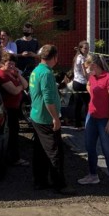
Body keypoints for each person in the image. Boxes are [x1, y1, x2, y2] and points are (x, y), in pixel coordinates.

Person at [77, 54, 109, 193]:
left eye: (87, 67)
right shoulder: (92, 77)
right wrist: (92, 94)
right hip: (91, 116)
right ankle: (93, 175)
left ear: (94, 65)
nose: (86, 70)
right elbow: (89, 85)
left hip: (104, 119)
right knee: (89, 146)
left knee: (107, 149)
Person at [29, 44, 74, 195]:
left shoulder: (36, 70)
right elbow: (48, 98)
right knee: (55, 152)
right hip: (46, 118)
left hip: (36, 115)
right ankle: (59, 184)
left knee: (40, 151)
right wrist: (56, 118)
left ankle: (39, 181)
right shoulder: (47, 73)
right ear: (54, 57)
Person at [0, 52, 29, 166]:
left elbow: (26, 84)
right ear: (3, 63)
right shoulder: (2, 75)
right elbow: (14, 90)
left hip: (14, 108)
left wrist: (18, 75)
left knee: (14, 132)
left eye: (13, 64)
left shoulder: (11, 73)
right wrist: (19, 87)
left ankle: (12, 157)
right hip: (8, 109)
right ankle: (13, 158)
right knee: (12, 134)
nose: (11, 66)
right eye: (9, 64)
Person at [72, 40, 90, 129]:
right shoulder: (82, 58)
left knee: (78, 104)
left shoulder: (77, 57)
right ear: (81, 48)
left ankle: (77, 124)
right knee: (87, 103)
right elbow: (84, 72)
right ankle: (88, 123)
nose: (87, 50)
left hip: (76, 82)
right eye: (85, 48)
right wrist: (90, 79)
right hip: (81, 83)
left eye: (88, 48)